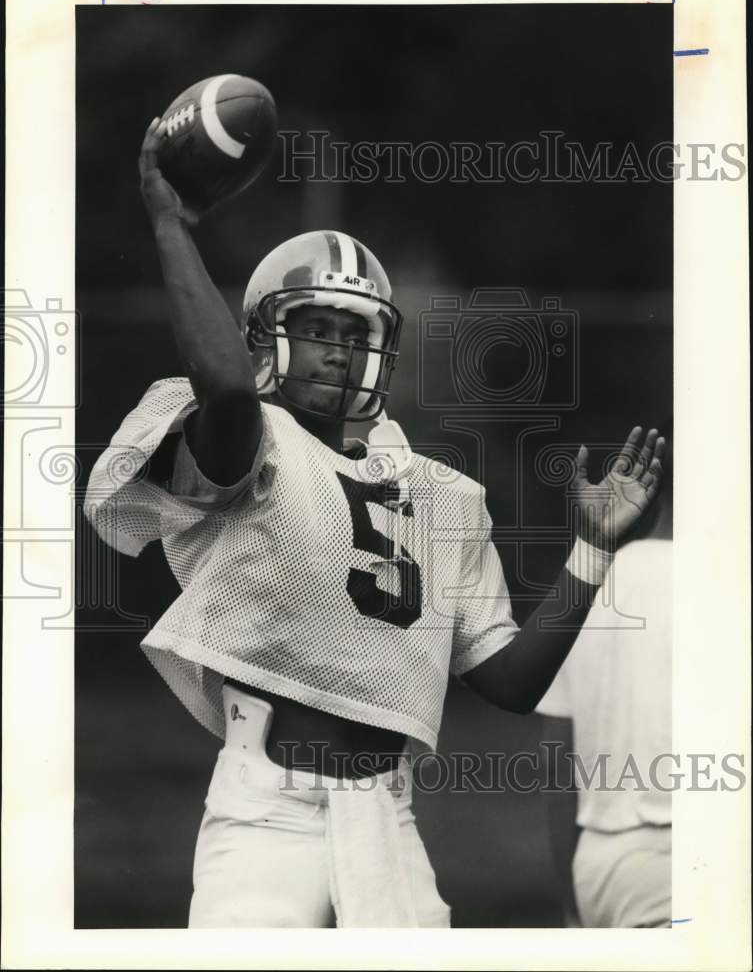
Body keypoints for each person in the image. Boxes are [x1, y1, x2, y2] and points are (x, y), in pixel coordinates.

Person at [84, 117, 665, 928]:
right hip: (266, 817)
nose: (335, 351)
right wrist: (172, 228)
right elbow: (222, 391)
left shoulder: (441, 493)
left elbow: (509, 682)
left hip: (387, 818)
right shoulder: (253, 442)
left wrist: (593, 552)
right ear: (262, 340)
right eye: (316, 328)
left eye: (355, 334)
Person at [536, 430, 673, 928]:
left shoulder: (585, 586)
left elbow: (555, 759)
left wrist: (572, 900)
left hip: (598, 866)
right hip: (674, 852)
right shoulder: (719, 579)